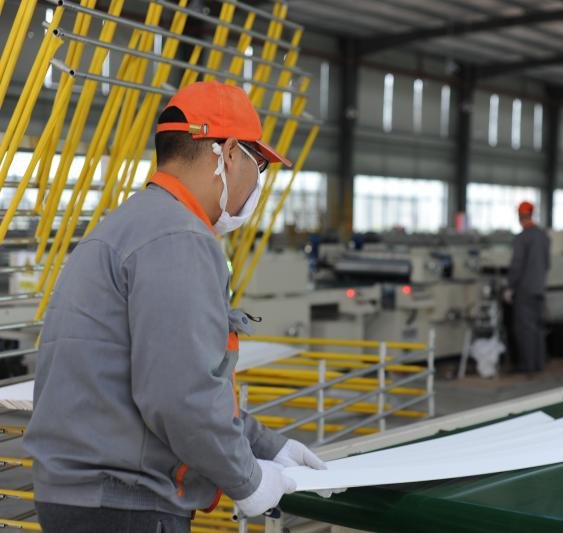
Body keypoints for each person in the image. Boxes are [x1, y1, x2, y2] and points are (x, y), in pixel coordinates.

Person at [25, 81, 333, 533]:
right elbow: (179, 395)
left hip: (84, 498)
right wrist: (247, 479)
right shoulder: (180, 238)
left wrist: (266, 446)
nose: (258, 182)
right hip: (126, 507)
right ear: (228, 154)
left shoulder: (127, 226)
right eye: (259, 164)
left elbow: (164, 379)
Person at [505, 201, 550, 372]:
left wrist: (510, 287)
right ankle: (539, 365)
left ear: (519, 216)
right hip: (539, 288)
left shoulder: (522, 238)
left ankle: (528, 367)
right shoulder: (543, 236)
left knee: (524, 329)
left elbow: (517, 266)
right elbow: (547, 264)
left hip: (524, 291)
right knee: (538, 329)